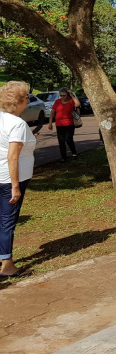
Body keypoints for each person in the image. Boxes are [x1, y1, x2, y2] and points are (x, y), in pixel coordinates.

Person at [0, 81, 36, 277]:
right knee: (7, 221)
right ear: (20, 101)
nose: (28, 101)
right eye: (27, 98)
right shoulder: (18, 124)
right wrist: (15, 186)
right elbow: (12, 157)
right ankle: (7, 265)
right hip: (10, 179)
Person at [48, 87, 80, 162]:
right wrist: (50, 123)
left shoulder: (71, 101)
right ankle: (63, 157)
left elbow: (78, 104)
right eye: (61, 95)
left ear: (67, 95)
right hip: (59, 124)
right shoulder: (57, 102)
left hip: (69, 123)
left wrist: (72, 95)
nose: (62, 97)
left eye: (64, 95)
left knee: (68, 139)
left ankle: (74, 153)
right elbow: (52, 112)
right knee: (61, 141)